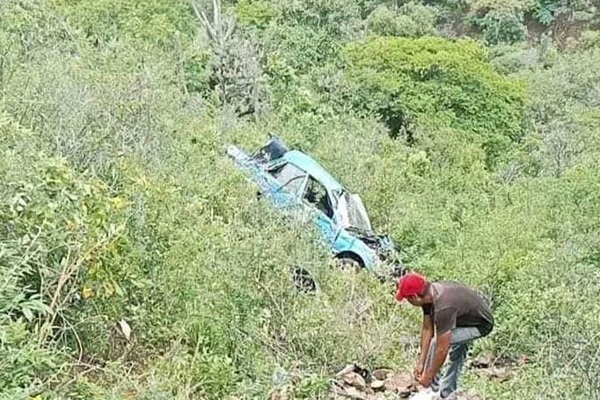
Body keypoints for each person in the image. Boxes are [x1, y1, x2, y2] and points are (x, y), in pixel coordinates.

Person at [395, 272, 494, 400]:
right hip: (461, 318)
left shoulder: (443, 307)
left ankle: (432, 390)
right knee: (457, 350)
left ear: (414, 297)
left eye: (407, 299)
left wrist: (428, 377)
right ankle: (448, 392)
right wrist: (421, 362)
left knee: (437, 344)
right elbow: (427, 329)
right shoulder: (429, 295)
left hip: (480, 325)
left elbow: (442, 349)